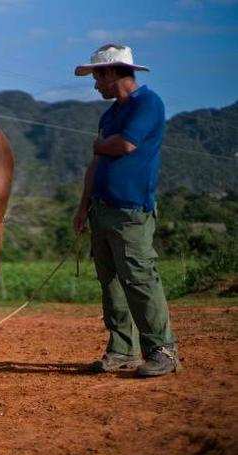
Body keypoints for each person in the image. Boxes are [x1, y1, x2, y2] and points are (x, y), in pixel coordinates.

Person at [73, 43, 180, 377]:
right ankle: (122, 350)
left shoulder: (148, 103)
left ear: (110, 73)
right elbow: (96, 163)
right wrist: (83, 205)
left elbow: (126, 144)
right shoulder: (110, 115)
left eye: (97, 77)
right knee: (112, 283)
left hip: (131, 211)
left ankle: (162, 351)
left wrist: (100, 146)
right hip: (101, 210)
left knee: (139, 279)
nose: (95, 85)